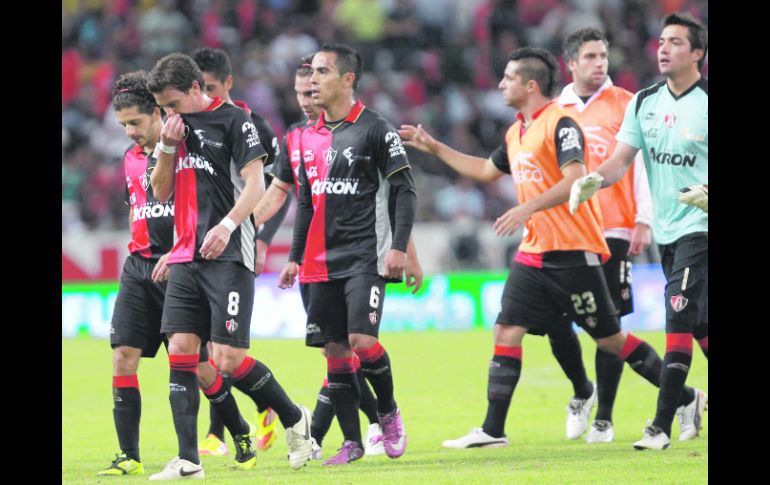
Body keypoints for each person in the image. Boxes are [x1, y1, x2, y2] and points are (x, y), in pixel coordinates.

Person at [399, 46, 700, 450]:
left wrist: (526, 207)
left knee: (610, 341)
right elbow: (486, 171)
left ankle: (685, 397)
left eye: (508, 78)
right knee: (506, 329)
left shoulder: (562, 125)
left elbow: (575, 180)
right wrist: (433, 146)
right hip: (535, 252)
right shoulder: (515, 131)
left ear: (530, 85)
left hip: (574, 250)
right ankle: (493, 429)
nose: (501, 84)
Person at [146, 53, 312, 480]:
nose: (168, 113)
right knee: (182, 352)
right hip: (184, 255)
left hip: (229, 251)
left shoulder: (237, 123)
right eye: (162, 106)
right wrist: (165, 145)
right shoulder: (171, 131)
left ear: (196, 89)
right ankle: (188, 460)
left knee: (228, 358)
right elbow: (160, 193)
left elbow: (256, 184)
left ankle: (294, 418)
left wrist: (227, 226)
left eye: (173, 103)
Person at [253, 54, 424, 460]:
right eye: (310, 73)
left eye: (322, 72)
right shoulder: (304, 137)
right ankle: (351, 442)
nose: (313, 81)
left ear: (347, 79)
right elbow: (307, 203)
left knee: (362, 340)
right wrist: (295, 256)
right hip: (318, 261)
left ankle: (387, 410)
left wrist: (400, 247)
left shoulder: (376, 129)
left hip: (364, 255)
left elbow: (405, 190)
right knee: (335, 352)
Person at [99, 70, 259, 476]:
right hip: (140, 267)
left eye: (136, 122)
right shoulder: (131, 160)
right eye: (124, 126)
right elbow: (142, 209)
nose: (130, 133)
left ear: (158, 113)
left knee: (200, 366)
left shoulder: (190, 149)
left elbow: (199, 209)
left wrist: (180, 251)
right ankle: (130, 456)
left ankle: (238, 429)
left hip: (180, 264)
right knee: (122, 357)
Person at [569, 12, 708, 450]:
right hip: (668, 233)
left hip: (700, 228)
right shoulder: (644, 101)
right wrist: (593, 179)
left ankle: (660, 426)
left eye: (676, 42)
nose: (663, 49)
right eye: (661, 41)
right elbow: (620, 160)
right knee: (701, 323)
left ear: (698, 54)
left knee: (678, 314)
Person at [548, 27, 655, 444]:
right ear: (571, 63)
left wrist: (643, 218)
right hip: (567, 231)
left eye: (603, 56)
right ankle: (581, 391)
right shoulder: (557, 110)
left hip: (613, 228)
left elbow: (641, 165)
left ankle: (604, 419)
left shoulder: (627, 104)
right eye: (590, 56)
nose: (600, 63)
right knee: (554, 319)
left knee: (609, 326)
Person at [192, 46, 290, 456]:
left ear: (227, 83)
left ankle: (221, 432)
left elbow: (279, 188)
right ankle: (250, 412)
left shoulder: (254, 125)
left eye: (211, 88)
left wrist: (261, 236)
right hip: (203, 243)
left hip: (238, 240)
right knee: (211, 350)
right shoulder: (191, 124)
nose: (206, 95)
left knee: (221, 348)